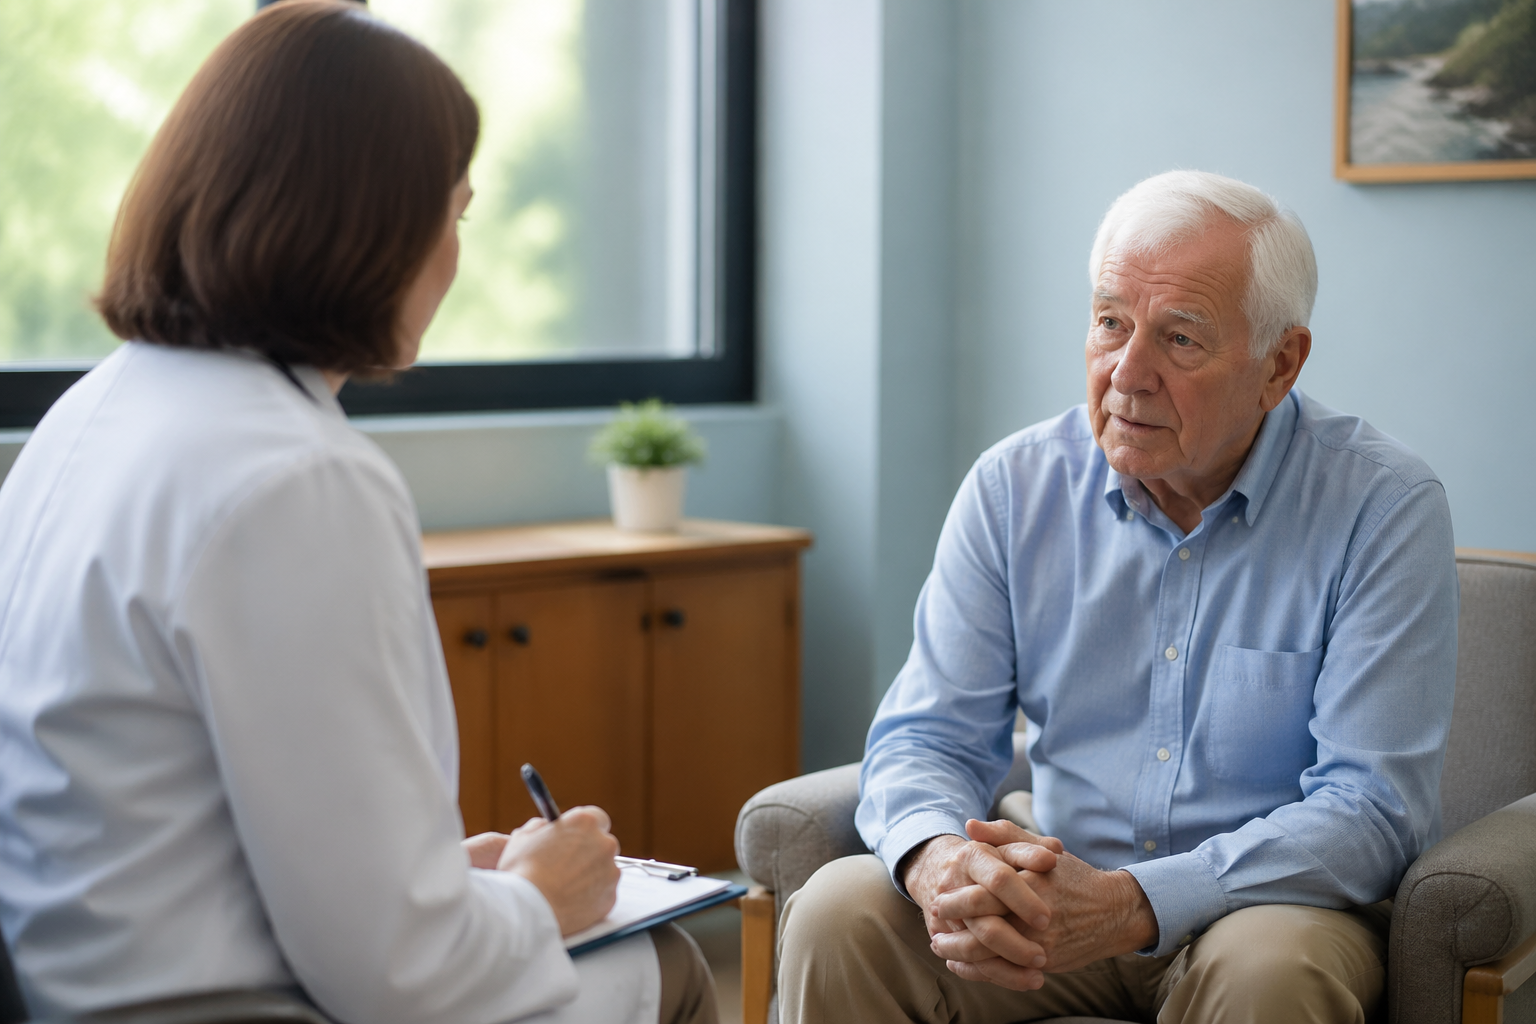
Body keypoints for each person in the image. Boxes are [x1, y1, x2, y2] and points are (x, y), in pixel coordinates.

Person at [0, 4, 716, 1023]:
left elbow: (183, 810)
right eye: (455, 215)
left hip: (84, 985)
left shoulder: (92, 414)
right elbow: (399, 976)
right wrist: (535, 897)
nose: (454, 261)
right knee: (675, 963)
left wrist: (443, 882)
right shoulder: (298, 476)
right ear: (374, 226)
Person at [778, 170, 1458, 1024]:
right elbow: (929, 734)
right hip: (1049, 890)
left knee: (1269, 973)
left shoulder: (1381, 506)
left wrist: (1133, 901)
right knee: (842, 911)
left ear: (1279, 363)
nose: (1127, 374)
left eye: (1180, 340)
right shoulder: (1013, 487)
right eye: (1110, 324)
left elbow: (1372, 810)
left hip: (1267, 909)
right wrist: (940, 857)